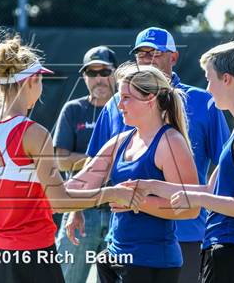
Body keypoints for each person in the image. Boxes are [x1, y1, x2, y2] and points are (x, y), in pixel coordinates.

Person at [0, 29, 142, 283]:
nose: (41, 87)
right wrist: (111, 193)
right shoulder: (33, 132)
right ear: (30, 81)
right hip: (35, 254)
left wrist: (11, 204)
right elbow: (59, 202)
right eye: (40, 80)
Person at [81, 27, 230, 283]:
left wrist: (208, 199)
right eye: (141, 53)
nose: (147, 59)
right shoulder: (117, 104)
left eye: (155, 53)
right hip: (122, 239)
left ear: (173, 57)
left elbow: (226, 161)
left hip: (185, 236)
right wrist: (75, 209)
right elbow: (94, 164)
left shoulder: (204, 101)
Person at [127, 41, 234, 283]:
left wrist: (198, 200)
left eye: (209, 79)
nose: (208, 89)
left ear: (227, 79)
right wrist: (151, 186)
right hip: (225, 248)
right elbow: (211, 190)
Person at [64, 63, 200, 283]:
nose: (120, 106)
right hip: (116, 257)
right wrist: (41, 187)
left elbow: (190, 209)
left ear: (150, 99)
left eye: (127, 98)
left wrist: (134, 201)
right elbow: (80, 183)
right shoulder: (120, 141)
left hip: (152, 263)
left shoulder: (171, 142)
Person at [53, 46, 117, 283]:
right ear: (84, 77)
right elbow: (60, 160)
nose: (98, 78)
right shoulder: (74, 110)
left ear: (116, 73)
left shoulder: (129, 109)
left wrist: (81, 160)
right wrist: (105, 161)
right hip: (79, 211)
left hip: (119, 211)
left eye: (104, 71)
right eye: (92, 72)